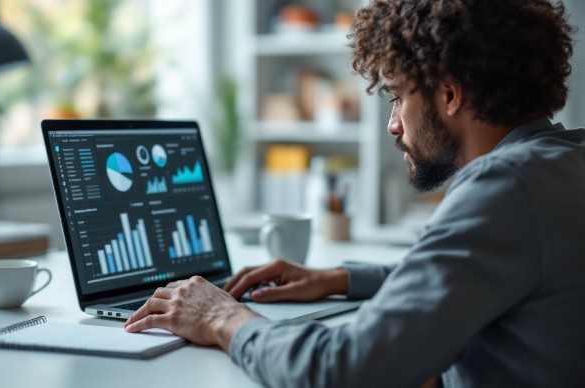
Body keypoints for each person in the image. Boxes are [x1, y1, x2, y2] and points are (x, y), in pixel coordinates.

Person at [125, 0, 585, 386]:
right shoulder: (561, 162)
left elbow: (345, 369)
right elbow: (474, 273)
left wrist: (220, 318)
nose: (393, 124)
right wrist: (338, 279)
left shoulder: (505, 187)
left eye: (397, 98)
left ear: (448, 95)